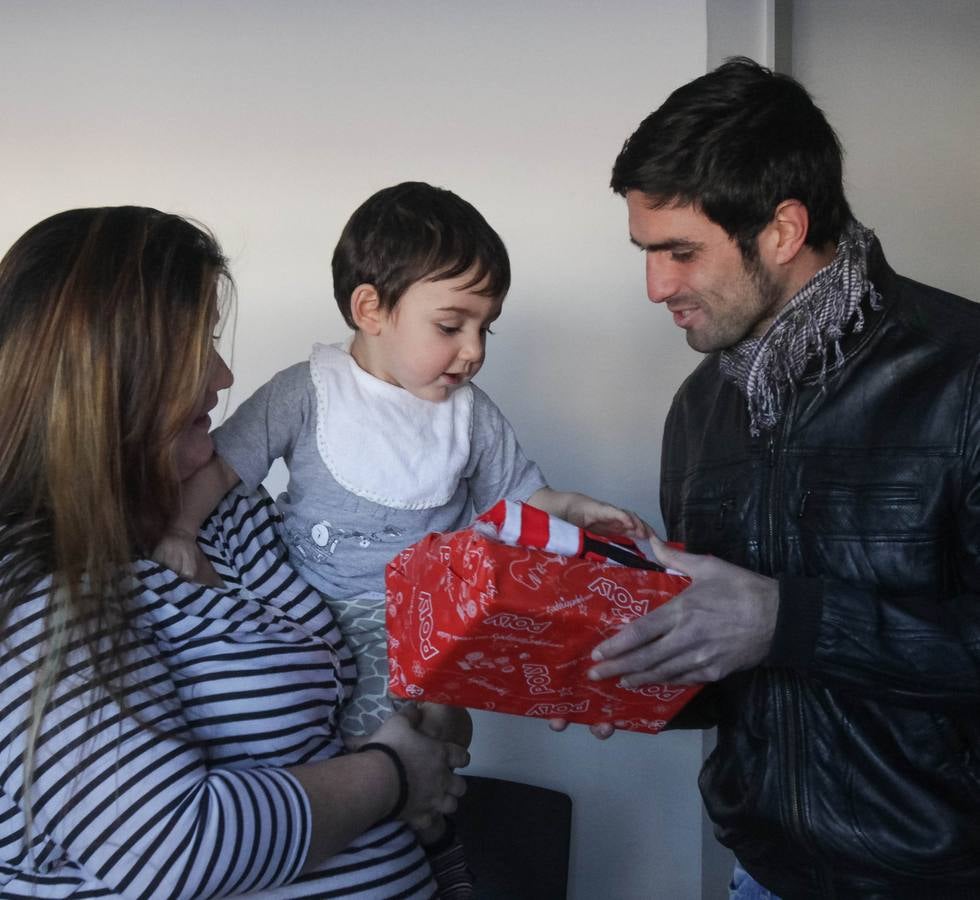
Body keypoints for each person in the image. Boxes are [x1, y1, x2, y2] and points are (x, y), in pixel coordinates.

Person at [587, 58, 980, 898]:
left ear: (782, 230)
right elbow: (733, 681)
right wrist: (616, 673)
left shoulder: (965, 372)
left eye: (679, 251)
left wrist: (787, 618)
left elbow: (778, 630)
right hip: (761, 877)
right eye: (645, 251)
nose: (655, 285)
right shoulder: (698, 411)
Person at [0, 206, 470, 899]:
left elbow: (341, 691)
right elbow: (173, 849)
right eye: (197, 345)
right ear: (112, 373)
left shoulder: (224, 512)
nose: (223, 376)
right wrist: (393, 778)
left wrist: (432, 716)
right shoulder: (33, 585)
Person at [152, 181, 649, 755]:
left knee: (437, 733)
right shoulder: (307, 392)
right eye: (450, 326)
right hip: (316, 614)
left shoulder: (469, 414)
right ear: (371, 310)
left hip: (432, 618)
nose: (474, 350)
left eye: (485, 328)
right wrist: (181, 530)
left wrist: (570, 507)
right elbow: (219, 469)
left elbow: (516, 498)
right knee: (347, 738)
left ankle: (419, 809)